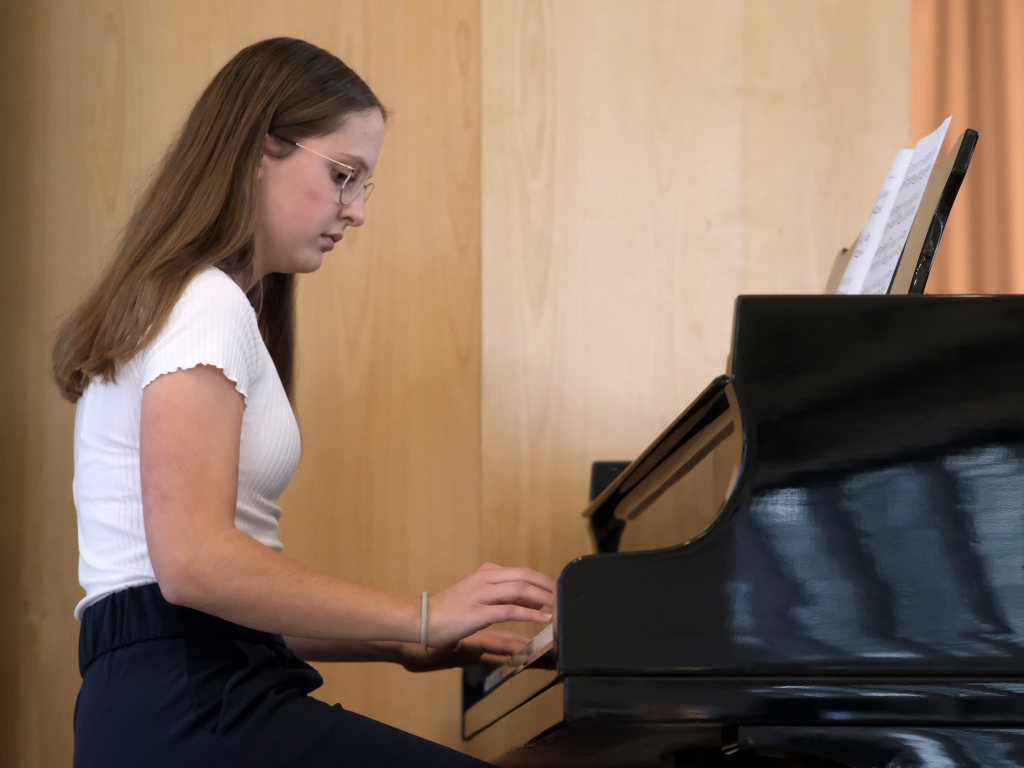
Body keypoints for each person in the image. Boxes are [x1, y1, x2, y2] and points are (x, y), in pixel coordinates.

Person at [52, 37, 555, 768]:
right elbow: (193, 566)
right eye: (343, 175)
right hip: (191, 705)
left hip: (170, 696)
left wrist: (399, 641)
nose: (357, 211)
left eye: (365, 185)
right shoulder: (205, 302)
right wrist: (419, 613)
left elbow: (205, 602)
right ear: (263, 149)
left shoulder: (189, 300)